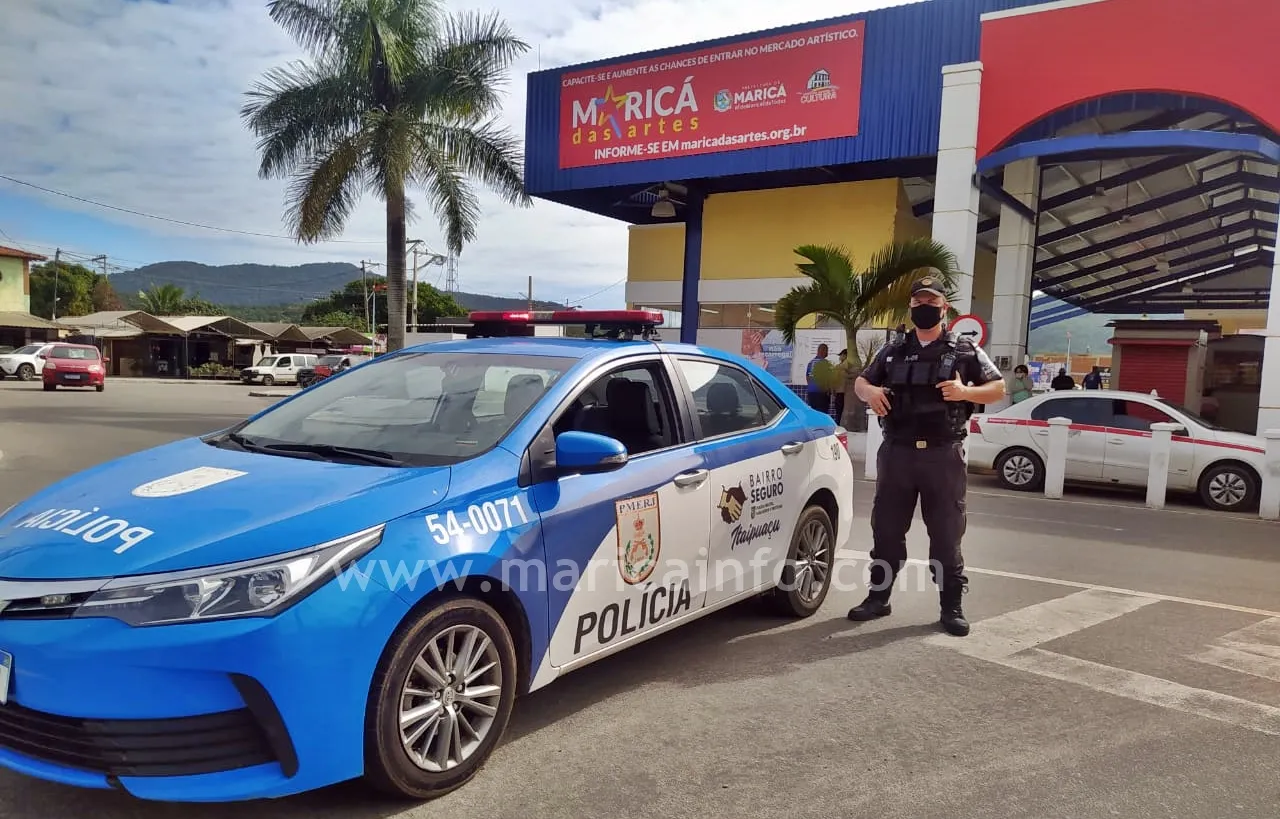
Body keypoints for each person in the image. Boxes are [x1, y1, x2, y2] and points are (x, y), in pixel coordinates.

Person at [848, 276, 1006, 636]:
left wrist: (966, 391)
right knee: (886, 530)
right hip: (898, 453)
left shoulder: (965, 350)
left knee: (946, 534)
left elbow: (997, 388)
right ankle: (878, 598)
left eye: (931, 302)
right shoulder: (892, 350)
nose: (924, 307)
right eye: (918, 302)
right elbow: (861, 381)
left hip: (942, 455)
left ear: (944, 308)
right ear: (911, 308)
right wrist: (870, 391)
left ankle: (951, 607)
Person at [805, 343, 832, 413]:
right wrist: (828, 390)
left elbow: (808, 377)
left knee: (813, 413)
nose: (827, 353)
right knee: (822, 414)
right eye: (827, 351)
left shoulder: (811, 363)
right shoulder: (825, 363)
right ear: (823, 351)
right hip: (821, 394)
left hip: (811, 393)